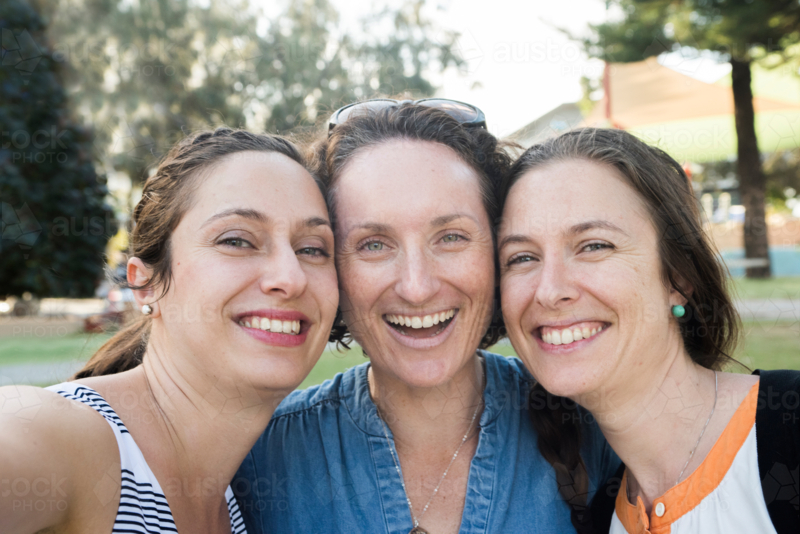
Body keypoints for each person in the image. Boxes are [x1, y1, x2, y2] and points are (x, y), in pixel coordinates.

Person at [234, 101, 619, 534]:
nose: (416, 288)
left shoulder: (601, 432)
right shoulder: (256, 461)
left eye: (451, 237)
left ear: (497, 251)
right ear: (330, 264)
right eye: (374, 244)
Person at [0, 128, 339, 533]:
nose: (291, 277)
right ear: (146, 284)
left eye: (312, 248)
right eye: (236, 240)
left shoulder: (246, 502)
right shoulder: (64, 438)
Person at [497, 127, 800, 534]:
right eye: (521, 257)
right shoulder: (600, 517)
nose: (549, 291)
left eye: (594, 245)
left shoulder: (790, 431)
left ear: (678, 275)